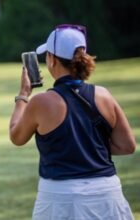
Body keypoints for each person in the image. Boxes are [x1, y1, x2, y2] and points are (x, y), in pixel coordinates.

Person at [9, 24, 136, 220]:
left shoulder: (42, 102)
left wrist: (23, 95)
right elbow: (127, 145)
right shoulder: (103, 95)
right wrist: (87, 147)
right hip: (108, 194)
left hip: (61, 197)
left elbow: (16, 136)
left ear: (52, 60)